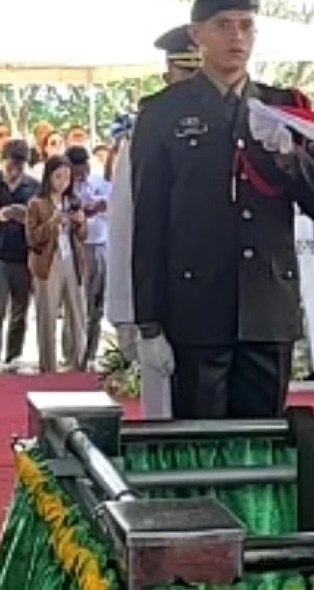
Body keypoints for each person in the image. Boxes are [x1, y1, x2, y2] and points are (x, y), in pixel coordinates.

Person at [131, 0, 314, 420]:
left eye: (246, 26)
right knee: (204, 451)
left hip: (267, 307)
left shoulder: (284, 107)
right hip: (197, 308)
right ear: (197, 35)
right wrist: (148, 321)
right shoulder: (163, 112)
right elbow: (148, 221)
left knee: (263, 451)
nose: (236, 37)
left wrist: (287, 155)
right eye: (223, 25)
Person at [105, 24, 201, 419]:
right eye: (185, 74)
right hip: (165, 303)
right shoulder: (146, 135)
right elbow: (128, 228)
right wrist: (129, 313)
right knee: (166, 418)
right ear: (167, 76)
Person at [26, 155, 88, 373]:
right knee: (48, 314)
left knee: (77, 312)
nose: (63, 182)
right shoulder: (36, 203)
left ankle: (79, 362)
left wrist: (80, 224)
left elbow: (83, 236)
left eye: (67, 177)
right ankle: (48, 365)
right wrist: (52, 223)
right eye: (58, 176)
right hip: (48, 262)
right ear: (48, 177)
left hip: (71, 260)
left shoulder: (72, 201)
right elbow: (32, 238)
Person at [0, 139, 39, 374]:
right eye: (11, 165)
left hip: (24, 254)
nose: (15, 171)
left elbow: (40, 217)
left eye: (20, 166)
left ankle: (13, 355)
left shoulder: (34, 186)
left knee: (20, 308)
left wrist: (24, 216)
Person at [68, 145, 111, 370]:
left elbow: (112, 205)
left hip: (101, 244)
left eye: (83, 167)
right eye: (76, 169)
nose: (81, 173)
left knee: (97, 303)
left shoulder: (99, 181)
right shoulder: (64, 186)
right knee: (78, 302)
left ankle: (91, 355)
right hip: (78, 247)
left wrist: (102, 205)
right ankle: (73, 353)